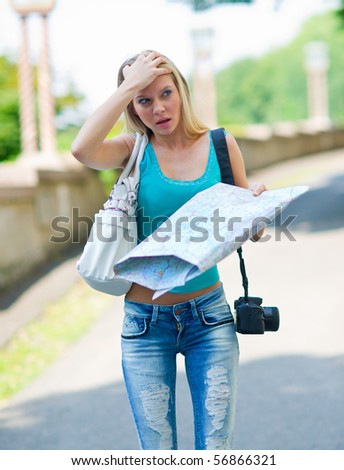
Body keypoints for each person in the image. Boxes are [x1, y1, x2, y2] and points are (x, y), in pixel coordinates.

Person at [71, 50, 267, 450]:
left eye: (165, 93)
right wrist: (128, 83)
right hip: (145, 325)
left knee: (216, 450)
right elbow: (82, 150)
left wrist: (257, 212)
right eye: (143, 100)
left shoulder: (219, 144)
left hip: (209, 319)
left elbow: (247, 228)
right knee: (157, 452)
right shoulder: (133, 150)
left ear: (181, 90)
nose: (158, 108)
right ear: (132, 106)